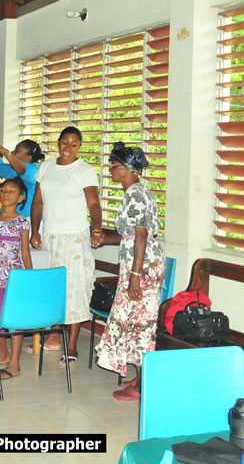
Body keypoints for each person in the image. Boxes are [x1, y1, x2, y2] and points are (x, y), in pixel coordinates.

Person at [93, 143, 164, 401]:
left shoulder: (135, 194)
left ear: (127, 168)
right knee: (133, 320)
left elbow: (142, 237)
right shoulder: (135, 191)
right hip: (139, 263)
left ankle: (144, 386)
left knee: (140, 323)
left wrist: (135, 277)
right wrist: (105, 239)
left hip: (142, 268)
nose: (111, 170)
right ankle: (140, 376)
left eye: (114, 165)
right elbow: (131, 236)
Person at [30, 126, 102, 364]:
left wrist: (98, 228)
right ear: (58, 143)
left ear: (79, 146)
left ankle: (71, 345)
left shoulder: (84, 171)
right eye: (64, 142)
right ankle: (51, 336)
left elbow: (93, 204)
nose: (68, 148)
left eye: (73, 144)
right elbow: (38, 202)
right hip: (49, 236)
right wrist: (34, 231)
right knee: (49, 288)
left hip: (73, 239)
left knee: (74, 290)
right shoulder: (47, 167)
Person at [0, 178, 33, 379]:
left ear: (20, 198)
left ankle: (14, 364)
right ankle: (2, 354)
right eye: (3, 190)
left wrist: (29, 279)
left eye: (11, 191)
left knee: (15, 320)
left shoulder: (22, 222)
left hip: (16, 279)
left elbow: (26, 254)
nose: (6, 193)